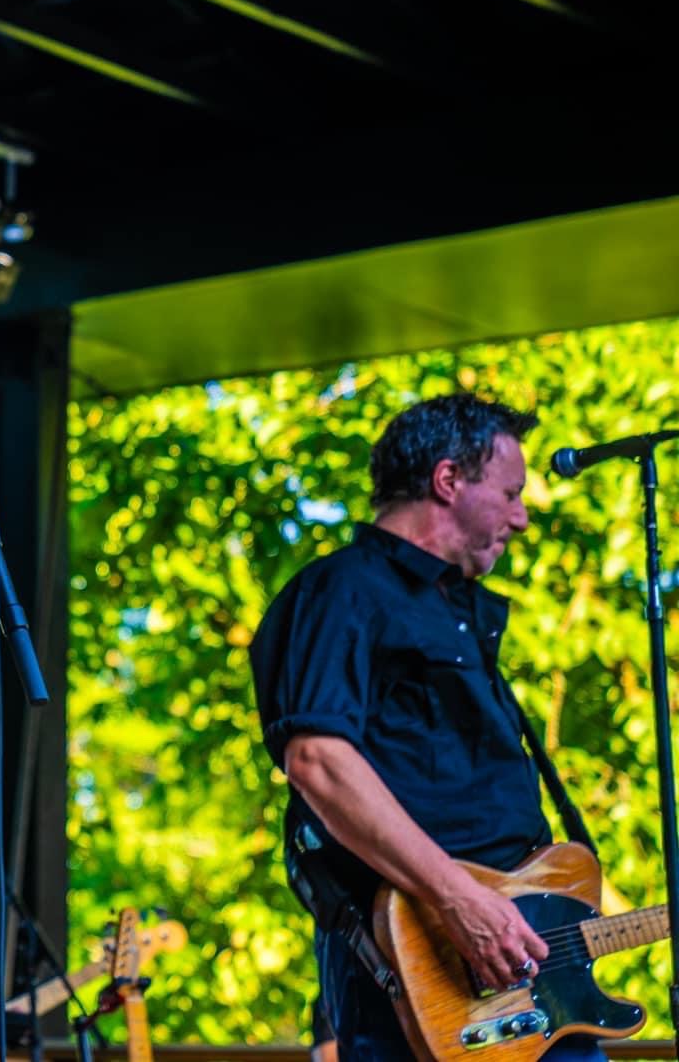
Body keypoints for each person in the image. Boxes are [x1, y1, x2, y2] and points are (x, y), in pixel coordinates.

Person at [250, 394, 599, 1059]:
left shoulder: (456, 609)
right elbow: (318, 760)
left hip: (523, 978)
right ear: (448, 481)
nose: (522, 519)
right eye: (511, 493)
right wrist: (458, 898)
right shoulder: (343, 589)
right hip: (423, 969)